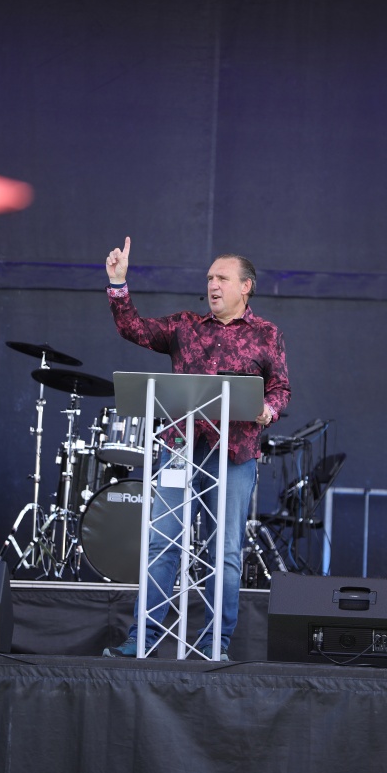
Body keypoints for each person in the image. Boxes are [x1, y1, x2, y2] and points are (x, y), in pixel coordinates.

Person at [102, 236, 291, 660]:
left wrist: (268, 409)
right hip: (181, 450)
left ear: (246, 286)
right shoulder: (184, 326)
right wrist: (118, 283)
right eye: (209, 278)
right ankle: (142, 639)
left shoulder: (266, 334)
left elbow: (281, 388)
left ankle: (214, 646)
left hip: (235, 455)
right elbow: (133, 328)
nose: (213, 285)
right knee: (162, 543)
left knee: (225, 553)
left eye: (222, 278)